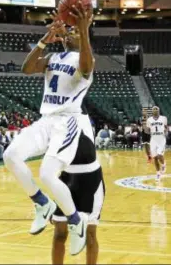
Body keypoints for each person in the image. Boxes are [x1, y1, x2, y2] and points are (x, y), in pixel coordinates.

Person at [3, 2, 95, 257]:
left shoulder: (85, 59)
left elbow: (86, 67)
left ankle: (76, 222)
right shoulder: (54, 57)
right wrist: (46, 38)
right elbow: (27, 68)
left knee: (47, 174)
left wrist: (84, 30)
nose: (70, 31)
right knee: (10, 156)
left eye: (74, 31)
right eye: (70, 29)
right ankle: (42, 203)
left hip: (67, 122)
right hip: (46, 120)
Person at [51, 113, 105, 265]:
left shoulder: (82, 114)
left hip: (91, 179)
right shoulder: (52, 122)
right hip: (67, 179)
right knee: (60, 234)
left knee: (90, 234)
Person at [146, 106, 168, 181]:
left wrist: (165, 132)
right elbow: (148, 130)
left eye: (156, 109)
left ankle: (164, 164)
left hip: (161, 138)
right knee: (155, 157)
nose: (155, 111)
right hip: (153, 139)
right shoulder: (149, 120)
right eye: (154, 109)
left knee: (159, 155)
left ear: (159, 111)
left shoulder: (163, 118)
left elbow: (166, 127)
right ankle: (158, 173)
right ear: (152, 111)